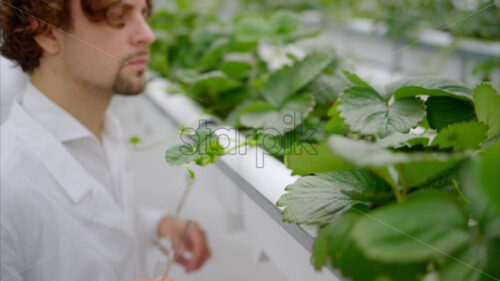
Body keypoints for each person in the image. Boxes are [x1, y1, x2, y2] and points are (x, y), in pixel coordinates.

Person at [0, 0, 211, 280]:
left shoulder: (105, 130)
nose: (148, 34)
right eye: (117, 17)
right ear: (48, 33)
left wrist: (157, 225)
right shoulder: (8, 181)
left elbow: (99, 220)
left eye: (143, 14)